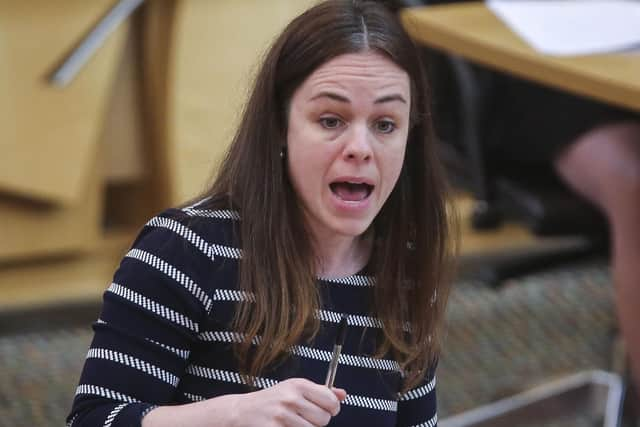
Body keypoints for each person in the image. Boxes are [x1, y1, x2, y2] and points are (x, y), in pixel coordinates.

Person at [66, 1, 456, 426]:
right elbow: (93, 420)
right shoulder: (186, 250)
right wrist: (232, 415)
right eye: (330, 120)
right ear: (279, 125)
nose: (360, 148)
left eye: (385, 124)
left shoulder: (407, 270)